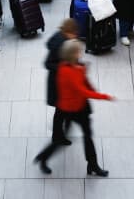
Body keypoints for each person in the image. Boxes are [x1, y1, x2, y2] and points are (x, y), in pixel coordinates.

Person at [33, 39, 112, 175]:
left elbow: (86, 83)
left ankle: (92, 165)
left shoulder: (76, 66)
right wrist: (104, 96)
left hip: (79, 107)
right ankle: (43, 157)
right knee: (60, 140)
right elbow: (82, 90)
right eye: (78, 51)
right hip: (70, 109)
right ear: (73, 54)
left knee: (87, 136)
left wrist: (84, 73)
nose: (81, 52)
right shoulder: (67, 71)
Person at [44, 18, 78, 146]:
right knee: (60, 111)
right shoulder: (60, 44)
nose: (75, 36)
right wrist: (65, 68)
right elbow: (48, 63)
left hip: (60, 82)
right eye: (74, 33)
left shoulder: (63, 39)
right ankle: (57, 136)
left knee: (61, 111)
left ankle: (60, 132)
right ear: (68, 32)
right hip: (58, 84)